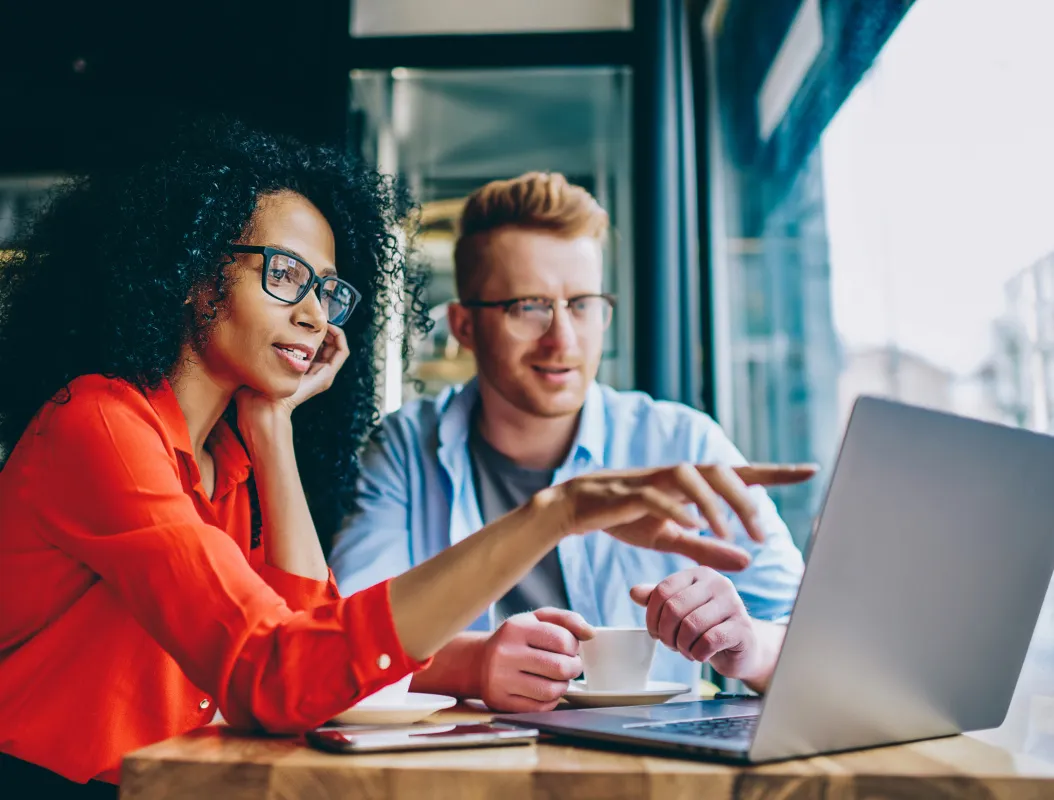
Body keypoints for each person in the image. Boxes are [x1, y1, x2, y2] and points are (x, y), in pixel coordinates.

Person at [0, 125, 800, 796]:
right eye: (286, 276)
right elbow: (280, 674)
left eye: (329, 289)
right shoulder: (100, 425)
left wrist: (272, 431)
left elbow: (304, 647)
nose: (316, 313)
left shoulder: (229, 461)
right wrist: (554, 514)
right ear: (188, 273)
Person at [329, 172, 815, 713]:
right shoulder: (404, 448)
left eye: (582, 304)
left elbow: (816, 640)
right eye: (529, 307)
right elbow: (343, 640)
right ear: (464, 326)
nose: (563, 339)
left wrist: (747, 647)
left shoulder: (682, 442)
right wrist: (474, 663)